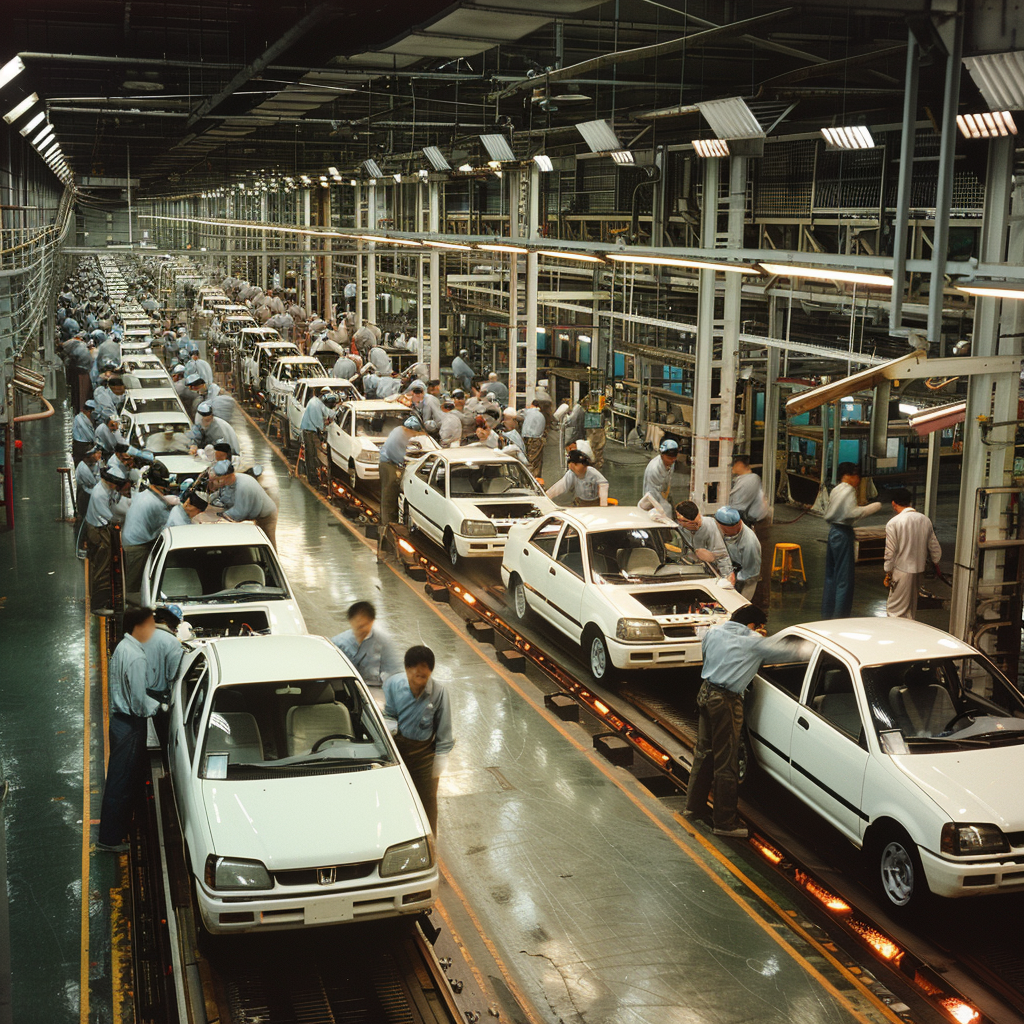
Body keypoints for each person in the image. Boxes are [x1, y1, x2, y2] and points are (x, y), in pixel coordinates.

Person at [684, 606, 790, 838]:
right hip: (726, 702)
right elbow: (789, 652)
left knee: (704, 753)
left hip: (706, 692)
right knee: (726, 761)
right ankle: (724, 822)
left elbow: (709, 657)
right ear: (753, 625)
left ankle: (693, 807)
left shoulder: (713, 633)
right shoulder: (753, 642)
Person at [97, 607, 164, 851]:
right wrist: (160, 705)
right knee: (121, 782)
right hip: (130, 724)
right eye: (150, 625)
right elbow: (138, 703)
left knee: (123, 778)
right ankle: (110, 839)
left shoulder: (123, 648)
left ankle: (117, 831)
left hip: (119, 722)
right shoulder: (136, 657)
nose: (152, 629)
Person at [383, 645, 454, 835]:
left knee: (427, 800)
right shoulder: (393, 685)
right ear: (407, 670)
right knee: (398, 797)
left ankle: (429, 843)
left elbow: (444, 730)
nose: (420, 678)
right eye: (416, 673)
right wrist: (390, 730)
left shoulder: (439, 693)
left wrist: (440, 758)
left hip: (424, 756)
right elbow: (389, 713)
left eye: (425, 674)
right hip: (399, 749)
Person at [821, 463, 882, 619]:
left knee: (831, 577)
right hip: (843, 532)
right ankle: (840, 618)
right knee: (844, 579)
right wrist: (872, 508)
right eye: (858, 477)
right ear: (851, 475)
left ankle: (827, 615)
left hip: (833, 532)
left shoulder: (836, 489)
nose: (859, 481)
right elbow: (850, 513)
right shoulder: (848, 490)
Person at [120, 462, 175, 603]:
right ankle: (135, 611)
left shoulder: (143, 494)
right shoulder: (157, 504)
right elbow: (168, 529)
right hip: (137, 546)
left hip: (131, 539)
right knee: (134, 586)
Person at [883, 487, 942, 619]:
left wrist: (888, 570)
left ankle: (896, 637)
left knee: (895, 609)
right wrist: (935, 562)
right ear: (910, 502)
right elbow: (934, 547)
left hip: (901, 570)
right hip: (918, 570)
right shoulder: (924, 519)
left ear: (893, 503)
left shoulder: (893, 523)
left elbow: (890, 552)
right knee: (910, 609)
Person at [331, 601, 402, 703]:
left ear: (372, 622)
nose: (360, 631)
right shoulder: (339, 643)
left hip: (374, 693)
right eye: (357, 627)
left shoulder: (383, 642)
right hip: (346, 690)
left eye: (363, 626)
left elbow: (394, 672)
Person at [84, 464, 132, 616]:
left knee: (103, 564)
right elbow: (109, 516)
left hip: (100, 527)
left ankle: (101, 600)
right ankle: (98, 605)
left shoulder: (106, 489)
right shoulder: (100, 494)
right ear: (111, 481)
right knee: (102, 567)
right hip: (98, 531)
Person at [377, 416, 422, 562]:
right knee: (388, 499)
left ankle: (390, 524)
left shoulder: (399, 431)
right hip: (388, 466)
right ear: (409, 429)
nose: (414, 436)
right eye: (414, 433)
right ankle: (388, 529)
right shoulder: (400, 437)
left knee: (391, 498)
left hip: (388, 464)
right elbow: (399, 457)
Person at [208, 460, 279, 546]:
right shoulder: (228, 484)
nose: (218, 482)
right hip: (253, 514)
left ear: (227, 476)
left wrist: (219, 517)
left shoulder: (243, 486)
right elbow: (223, 496)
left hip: (266, 516)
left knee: (267, 543)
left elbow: (239, 512)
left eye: (219, 479)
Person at [673, 501, 733, 578]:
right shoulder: (677, 527)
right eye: (692, 524)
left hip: (706, 571)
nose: (697, 526)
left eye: (697, 523)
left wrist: (727, 576)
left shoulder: (709, 526)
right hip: (682, 569)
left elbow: (722, 556)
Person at [712, 506, 761, 599]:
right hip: (727, 568)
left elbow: (750, 574)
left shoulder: (749, 543)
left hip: (744, 576)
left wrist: (731, 579)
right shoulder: (721, 529)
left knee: (740, 604)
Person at [299, 390, 338, 485]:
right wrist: (329, 421)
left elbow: (324, 413)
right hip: (310, 432)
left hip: (307, 429)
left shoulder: (314, 401)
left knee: (310, 454)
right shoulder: (317, 404)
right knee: (312, 455)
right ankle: (312, 478)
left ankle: (312, 476)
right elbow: (322, 419)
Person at [642, 438, 680, 516]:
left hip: (663, 493)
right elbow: (652, 495)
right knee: (664, 511)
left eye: (674, 458)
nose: (672, 460)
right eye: (669, 458)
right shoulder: (654, 470)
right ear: (662, 455)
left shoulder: (671, 463)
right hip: (653, 496)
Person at [74, 446, 103, 520]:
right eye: (96, 453)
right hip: (86, 494)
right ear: (89, 456)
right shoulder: (83, 468)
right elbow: (94, 483)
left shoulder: (96, 463)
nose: (99, 455)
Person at [521, 398, 547, 479]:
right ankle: (534, 480)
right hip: (536, 439)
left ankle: (527, 478)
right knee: (535, 463)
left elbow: (517, 415)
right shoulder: (540, 414)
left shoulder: (527, 412)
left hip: (525, 438)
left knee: (526, 460)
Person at [72, 400, 98, 465]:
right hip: (82, 447)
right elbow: (90, 435)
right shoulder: (80, 419)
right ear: (90, 412)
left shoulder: (78, 417)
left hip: (78, 446)